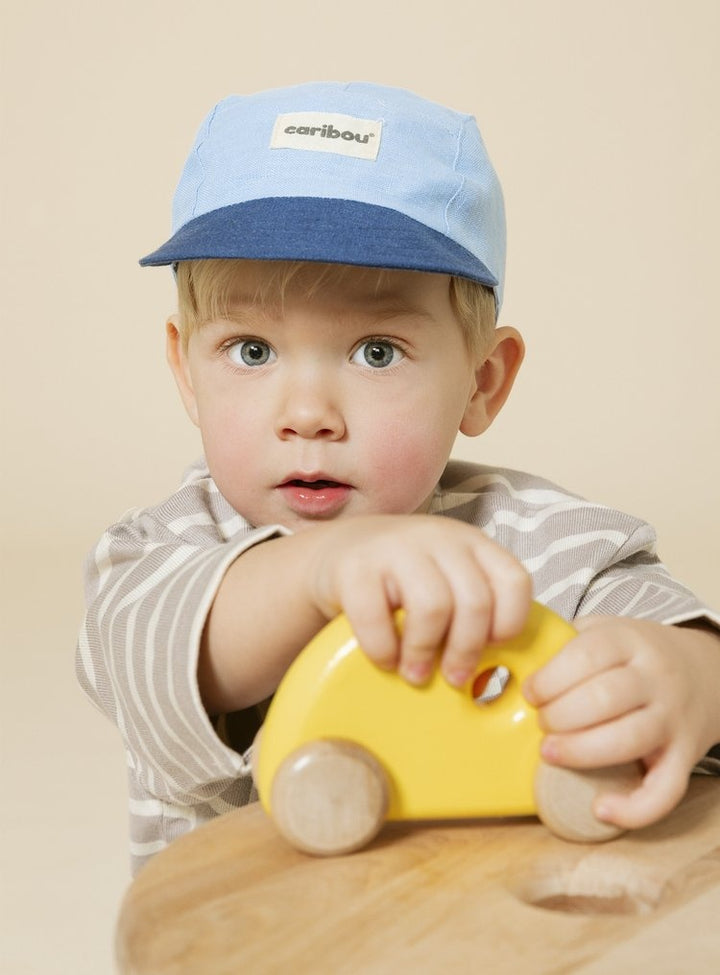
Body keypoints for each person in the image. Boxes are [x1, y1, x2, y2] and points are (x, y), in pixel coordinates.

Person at [76, 81, 720, 874]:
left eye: (376, 351)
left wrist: (693, 675)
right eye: (251, 350)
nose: (307, 412)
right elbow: (153, 666)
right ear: (185, 371)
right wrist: (318, 570)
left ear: (483, 380)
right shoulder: (159, 553)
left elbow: (678, 649)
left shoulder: (559, 549)